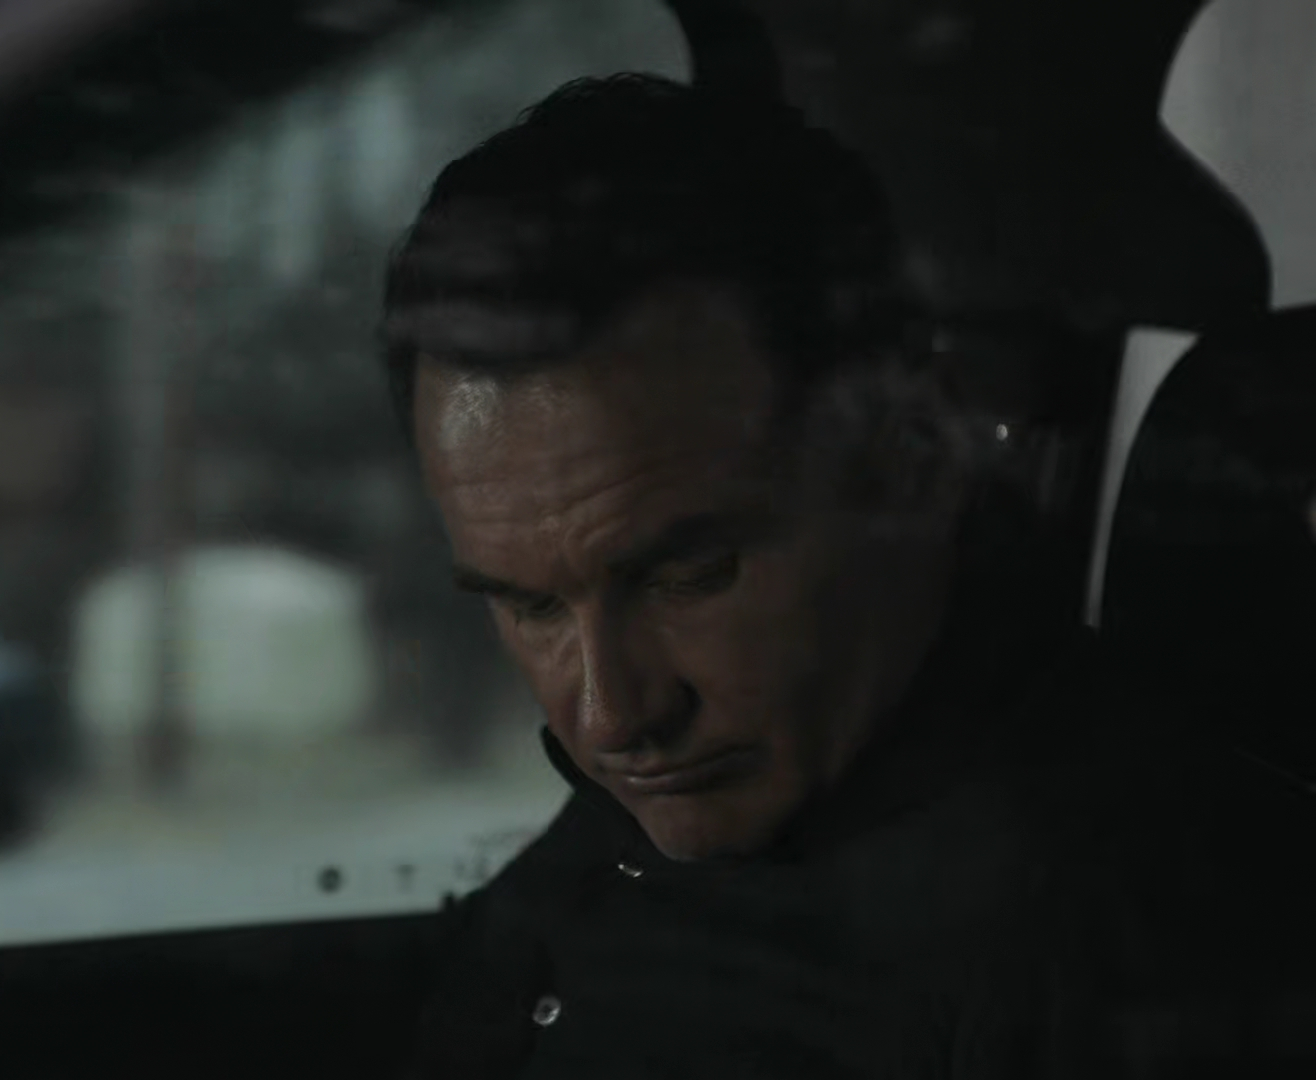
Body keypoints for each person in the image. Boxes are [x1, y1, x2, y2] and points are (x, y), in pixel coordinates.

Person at [381, 73, 1316, 1078]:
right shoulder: (656, 811)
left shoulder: (1141, 951)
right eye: (529, 605)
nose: (613, 715)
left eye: (691, 574)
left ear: (913, 454)